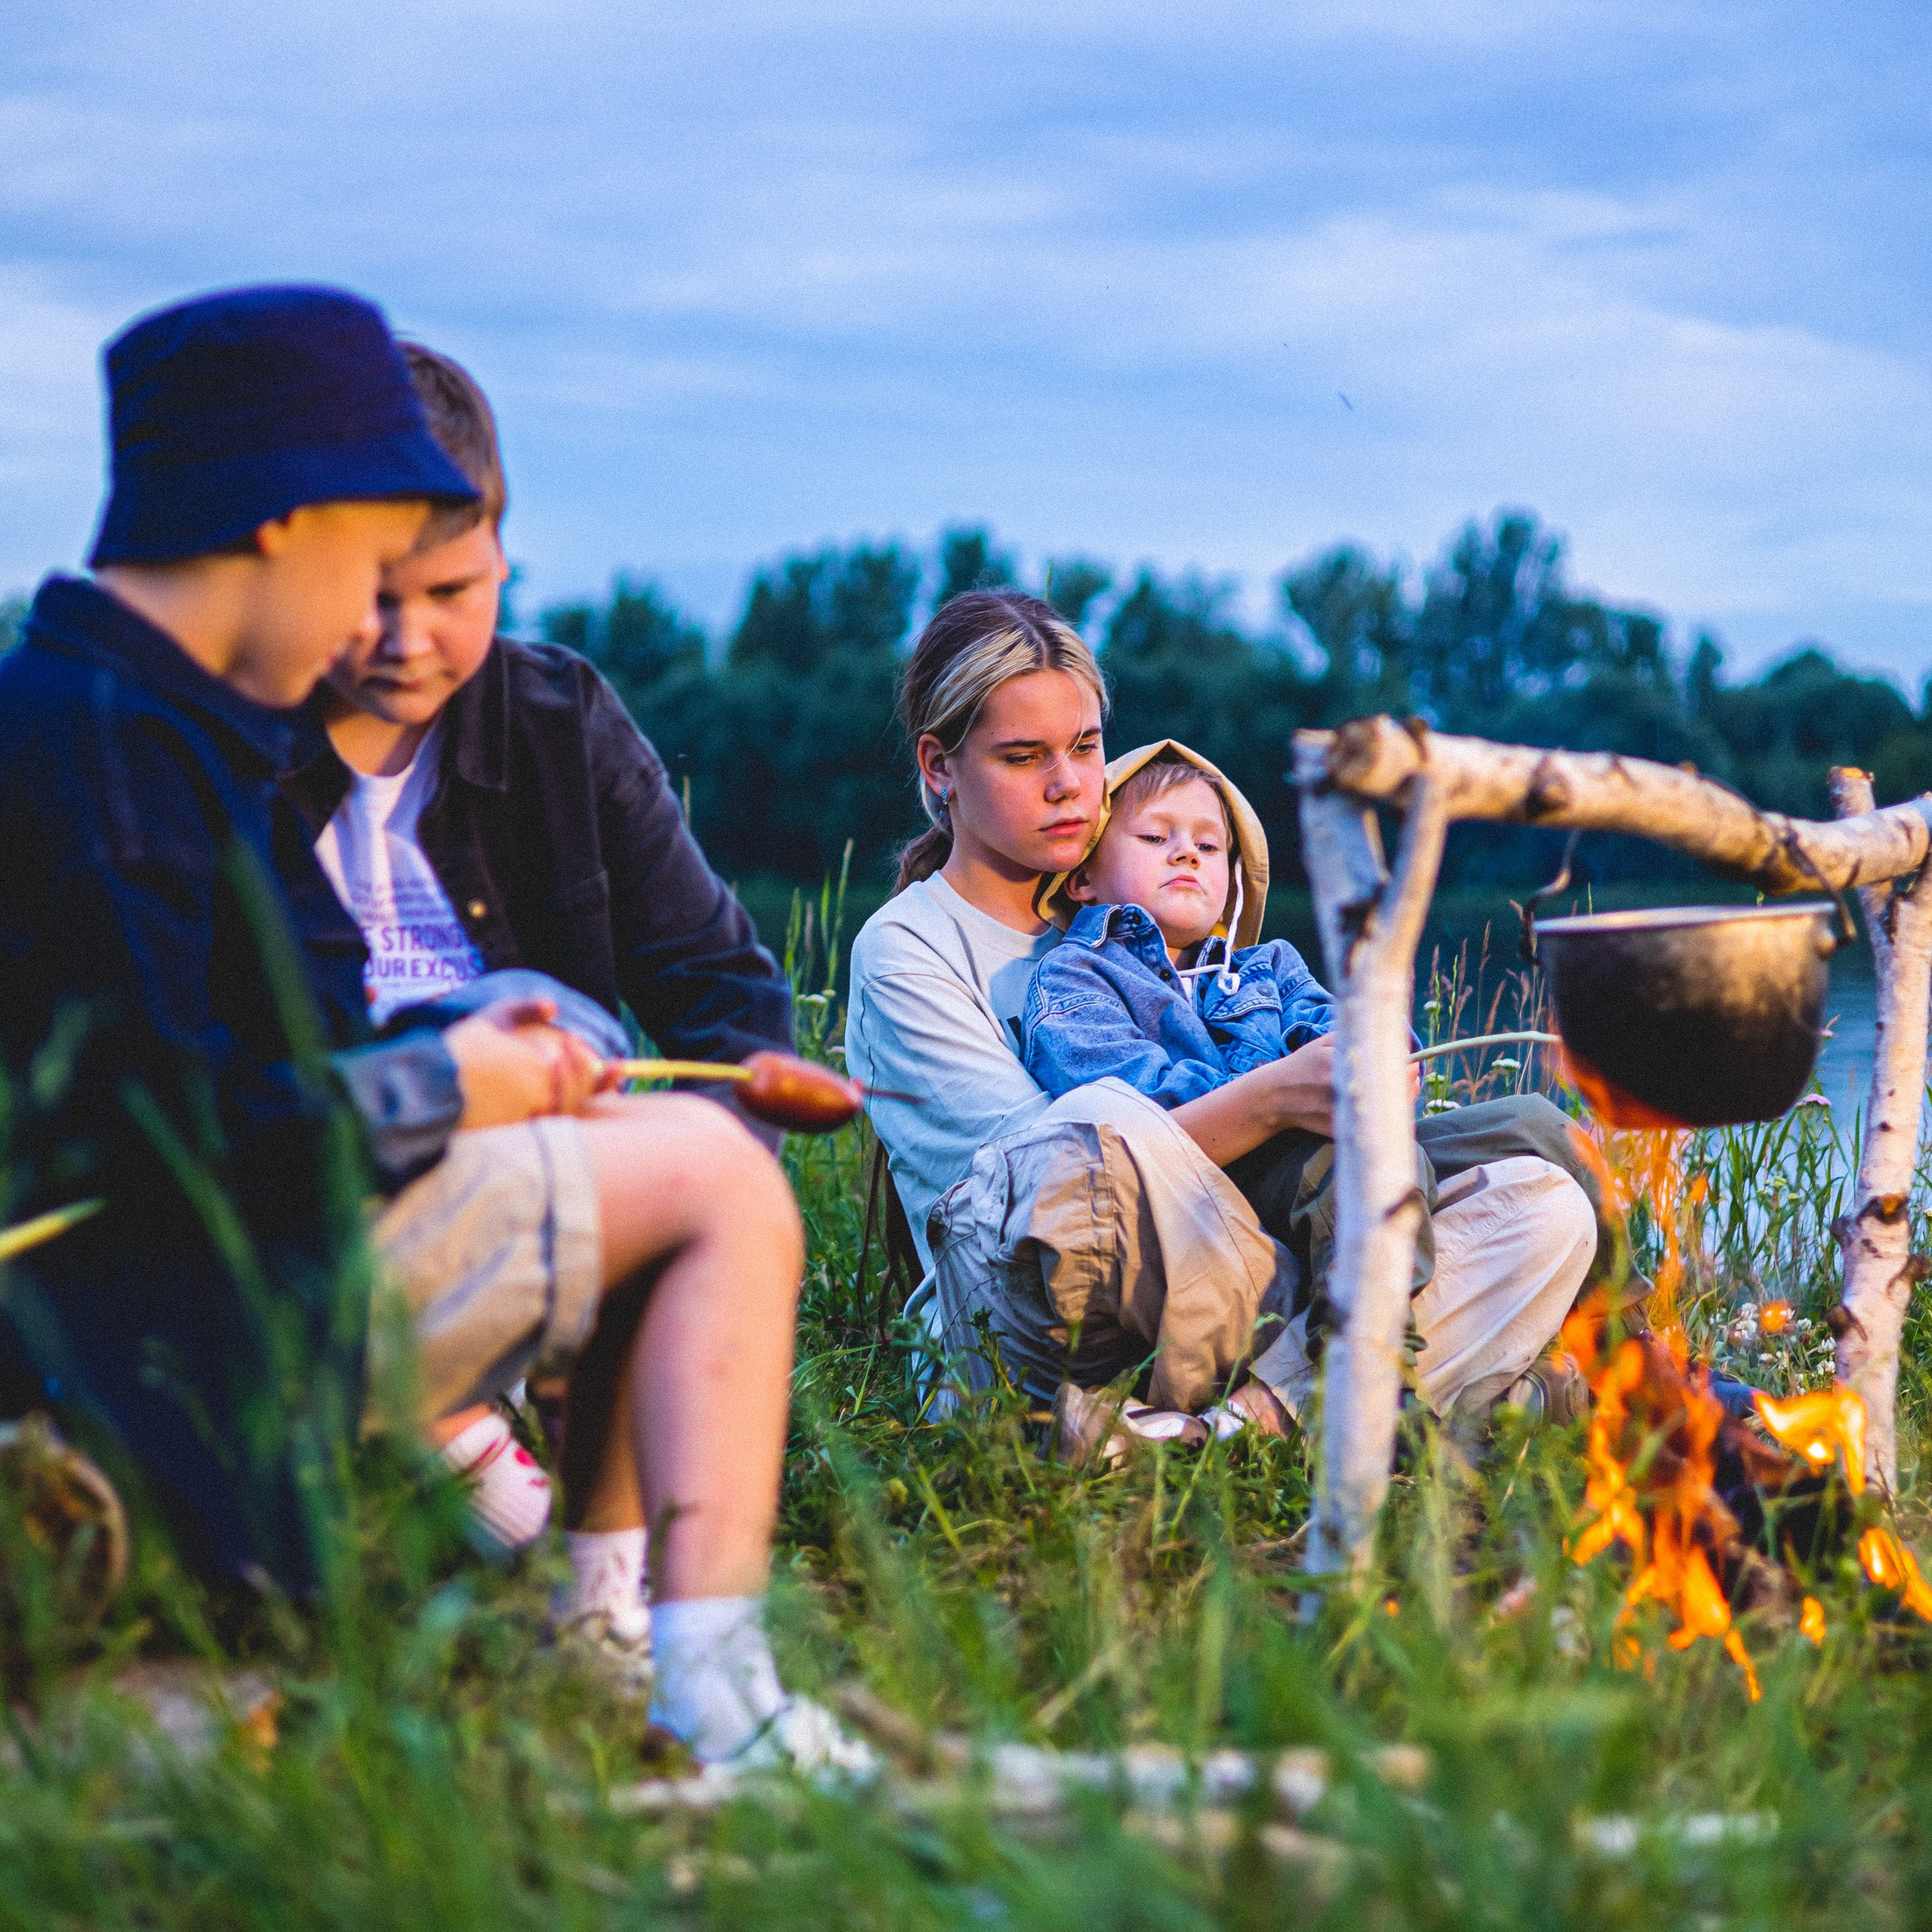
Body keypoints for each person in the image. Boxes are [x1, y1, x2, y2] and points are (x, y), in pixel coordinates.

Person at [0, 285, 864, 1773]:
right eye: (368, 568)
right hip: (156, 1343)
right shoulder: (115, 746)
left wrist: (473, 1060)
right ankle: (709, 1690)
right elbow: (160, 1130)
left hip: (184, 1322)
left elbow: (280, 1037)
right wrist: (443, 1080)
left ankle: (583, 1620)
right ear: (289, 521)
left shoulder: (134, 721)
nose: (373, 625)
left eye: (438, 582)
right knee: (712, 1181)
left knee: (198, 1760)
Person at [279, 342, 792, 1647]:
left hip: (560, 1156)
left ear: (505, 551)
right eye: (372, 599)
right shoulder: (232, 743)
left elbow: (726, 991)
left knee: (586, 1045)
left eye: (452, 591)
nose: (408, 641)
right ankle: (456, 1438)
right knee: (501, 1011)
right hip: (345, 1182)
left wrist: (654, 1249)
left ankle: (600, 1563)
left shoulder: (560, 718)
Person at [844, 590, 1600, 1457]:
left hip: (1258, 1257)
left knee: (1544, 1205)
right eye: (1022, 757)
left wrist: (1363, 1079)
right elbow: (1052, 1196)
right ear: (940, 767)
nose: (1066, 785)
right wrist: (1278, 1100)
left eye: (1085, 748)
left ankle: (1218, 1430)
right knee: (1098, 1126)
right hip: (1043, 1330)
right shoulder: (906, 948)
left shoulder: (1154, 911)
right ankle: (1423, 1397)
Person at [1020, 740, 1602, 1427]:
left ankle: (1622, 1347)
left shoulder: (1269, 964)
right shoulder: (1076, 976)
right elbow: (1132, 1113)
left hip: (1324, 1146)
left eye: (1210, 848)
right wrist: (1282, 1087)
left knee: (1543, 1125)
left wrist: (1384, 1051)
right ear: (1083, 878)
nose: (1186, 854)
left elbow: (1343, 1023)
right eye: (1155, 837)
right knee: (1354, 1158)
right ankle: (1373, 1383)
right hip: (1221, 1185)